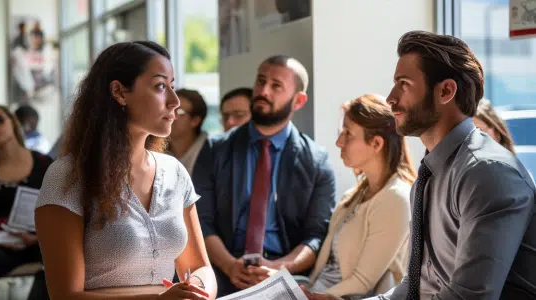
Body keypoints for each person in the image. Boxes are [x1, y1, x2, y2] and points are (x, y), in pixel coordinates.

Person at [34, 41, 216, 300]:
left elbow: (199, 267)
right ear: (119, 92)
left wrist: (196, 291)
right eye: (161, 86)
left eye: (172, 87)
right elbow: (65, 295)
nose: (175, 101)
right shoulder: (67, 176)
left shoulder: (175, 172)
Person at [366, 31, 536, 300]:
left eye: (404, 84)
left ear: (445, 91)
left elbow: (468, 298)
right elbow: (415, 287)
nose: (390, 98)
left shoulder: (487, 173)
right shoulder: (430, 174)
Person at [193, 55, 336, 297]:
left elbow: (316, 236)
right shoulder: (215, 149)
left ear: (298, 101)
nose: (263, 91)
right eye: (260, 82)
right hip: (221, 265)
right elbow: (199, 220)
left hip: (282, 271)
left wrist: (278, 268)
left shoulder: (316, 161)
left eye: (276, 86)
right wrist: (229, 265)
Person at [301, 94, 415, 299]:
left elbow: (362, 283)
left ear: (376, 144)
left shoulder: (396, 199)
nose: (338, 142)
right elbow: (326, 269)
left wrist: (311, 297)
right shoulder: (354, 195)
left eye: (348, 133)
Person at [0, 104, 53, 299]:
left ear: (12, 122)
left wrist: (39, 237)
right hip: (1, 245)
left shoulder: (44, 163)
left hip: (41, 241)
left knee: (61, 260)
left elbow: (59, 212)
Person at [169, 88, 208, 175]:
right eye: (169, 109)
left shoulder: (213, 154)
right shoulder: (156, 152)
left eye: (179, 112)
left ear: (195, 121)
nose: (170, 116)